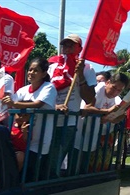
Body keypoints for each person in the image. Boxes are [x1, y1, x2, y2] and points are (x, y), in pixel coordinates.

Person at [47, 34, 97, 177]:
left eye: (71, 45)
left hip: (67, 122)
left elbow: (89, 98)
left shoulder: (87, 68)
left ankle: (51, 189)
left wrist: (80, 75)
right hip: (49, 119)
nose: (67, 48)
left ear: (80, 48)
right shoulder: (53, 67)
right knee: (42, 158)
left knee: (54, 161)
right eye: (65, 45)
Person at [3, 58, 57, 181]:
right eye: (30, 69)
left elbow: (37, 104)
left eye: (36, 70)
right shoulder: (23, 90)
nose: (31, 72)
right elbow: (12, 105)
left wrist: (15, 104)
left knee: (31, 176)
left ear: (44, 74)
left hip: (39, 141)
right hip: (21, 141)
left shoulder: (48, 88)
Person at [79, 73, 130, 172]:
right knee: (78, 164)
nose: (115, 92)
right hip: (82, 133)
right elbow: (86, 108)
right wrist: (107, 111)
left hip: (97, 136)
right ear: (107, 83)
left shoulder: (117, 98)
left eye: (119, 90)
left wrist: (111, 118)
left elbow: (121, 115)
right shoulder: (98, 90)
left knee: (92, 166)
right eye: (114, 88)